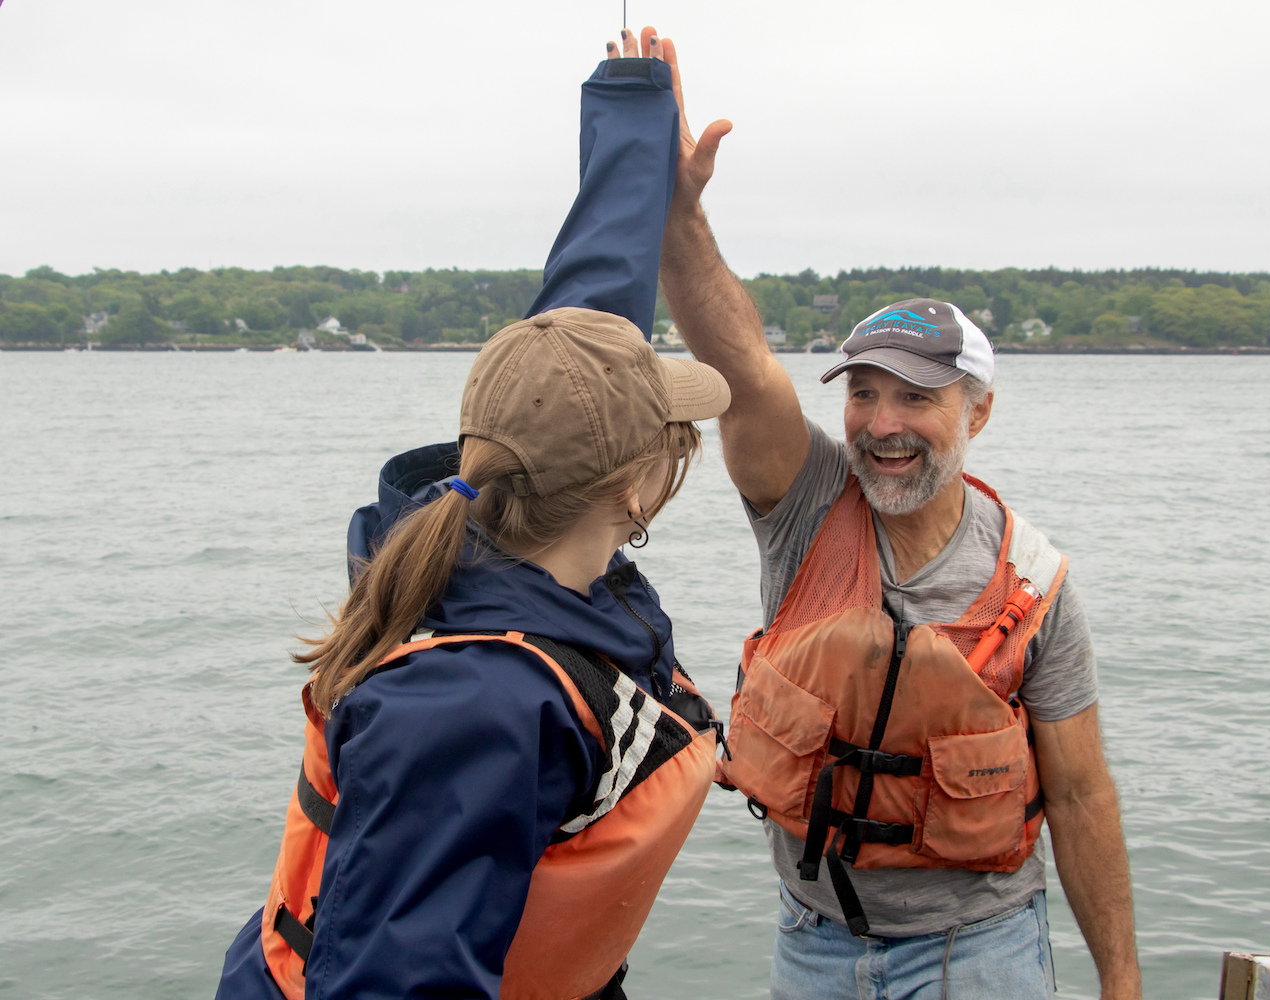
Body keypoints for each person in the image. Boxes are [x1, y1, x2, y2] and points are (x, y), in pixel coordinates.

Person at [215, 30, 730, 1000]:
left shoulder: (503, 527)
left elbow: (583, 340)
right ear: (630, 486)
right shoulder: (472, 710)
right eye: (669, 431)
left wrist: (635, 111)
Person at [638, 37, 1145, 1000]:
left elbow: (1080, 797)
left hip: (981, 950)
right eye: (863, 395)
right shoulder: (806, 509)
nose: (882, 426)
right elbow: (741, 368)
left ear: (977, 413)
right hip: (813, 942)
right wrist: (677, 217)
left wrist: (1121, 984)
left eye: (915, 399)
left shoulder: (1033, 586)